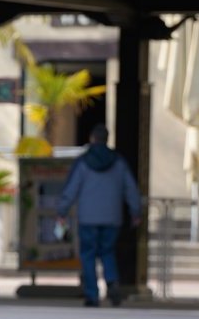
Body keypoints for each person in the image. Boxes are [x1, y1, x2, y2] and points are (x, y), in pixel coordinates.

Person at [55, 125, 141, 307]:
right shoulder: (118, 162)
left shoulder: (83, 162)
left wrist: (62, 211)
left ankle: (92, 295)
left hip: (88, 217)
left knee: (88, 255)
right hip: (112, 217)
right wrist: (135, 211)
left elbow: (71, 190)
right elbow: (131, 189)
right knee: (108, 252)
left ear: (92, 138)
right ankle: (111, 283)